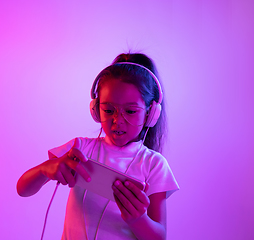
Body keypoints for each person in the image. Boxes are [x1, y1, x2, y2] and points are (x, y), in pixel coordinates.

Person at [17, 53, 179, 240]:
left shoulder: (154, 165)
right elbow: (22, 189)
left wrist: (138, 219)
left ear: (151, 114)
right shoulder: (79, 149)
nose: (118, 121)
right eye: (109, 110)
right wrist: (44, 170)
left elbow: (160, 237)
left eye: (131, 111)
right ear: (95, 109)